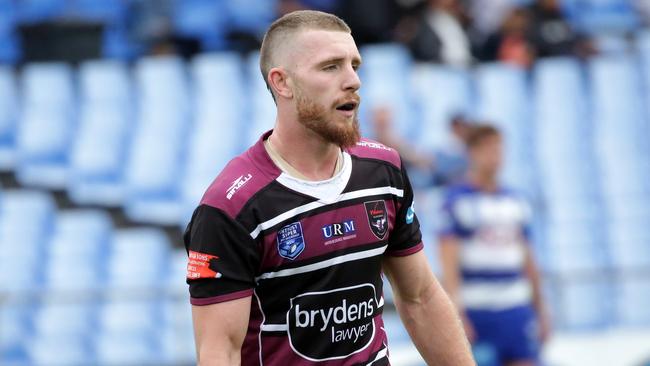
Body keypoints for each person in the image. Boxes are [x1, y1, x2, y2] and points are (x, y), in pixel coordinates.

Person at [184, 10, 475, 365]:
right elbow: (220, 352)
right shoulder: (232, 206)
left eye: (355, 65)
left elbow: (420, 298)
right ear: (282, 83)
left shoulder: (383, 170)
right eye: (331, 66)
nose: (353, 80)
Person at [438, 125, 551, 366]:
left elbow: (528, 259)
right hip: (478, 310)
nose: (496, 155)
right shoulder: (456, 200)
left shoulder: (515, 200)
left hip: (515, 307)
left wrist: (541, 310)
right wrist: (457, 315)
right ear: (472, 153)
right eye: (489, 149)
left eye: (499, 149)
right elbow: (448, 263)